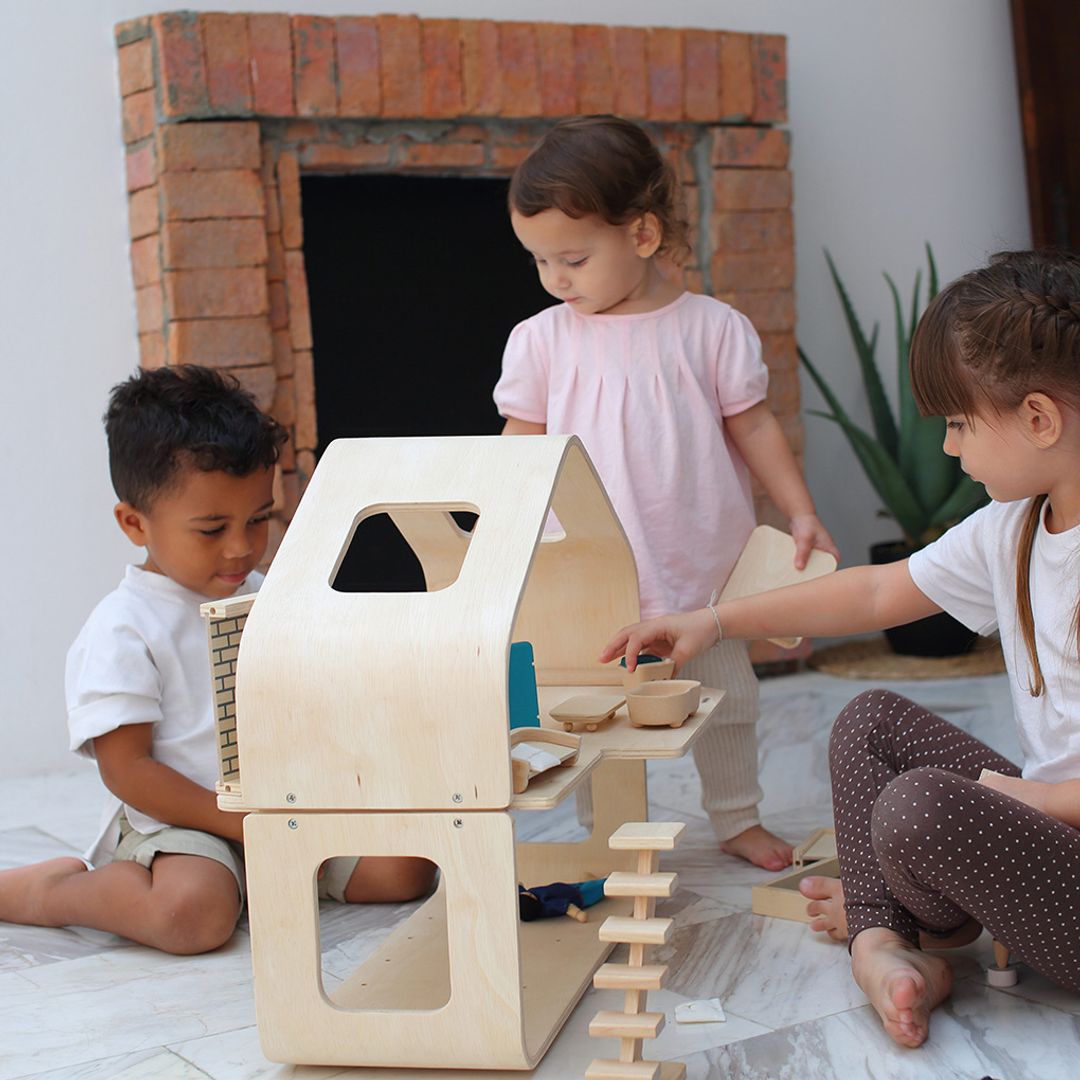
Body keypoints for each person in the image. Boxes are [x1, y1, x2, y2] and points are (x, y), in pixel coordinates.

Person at [601, 249, 1080, 1048]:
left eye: (959, 424)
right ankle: (884, 944)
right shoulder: (1016, 526)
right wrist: (711, 622)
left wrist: (1033, 802)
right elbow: (873, 592)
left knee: (917, 808)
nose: (952, 448)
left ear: (1038, 418)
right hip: (1043, 840)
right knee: (868, 721)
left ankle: (909, 915)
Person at [494, 115, 838, 870]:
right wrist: (496, 531)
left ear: (643, 235)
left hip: (701, 574)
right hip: (589, 576)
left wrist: (800, 510)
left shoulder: (713, 330)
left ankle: (737, 818)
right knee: (598, 715)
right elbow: (519, 447)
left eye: (574, 258)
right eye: (540, 261)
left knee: (729, 704)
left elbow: (753, 429)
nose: (556, 278)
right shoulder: (543, 340)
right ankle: (610, 837)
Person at [0, 366, 435, 955]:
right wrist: (241, 826)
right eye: (211, 529)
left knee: (408, 871)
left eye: (258, 520)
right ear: (135, 523)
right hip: (182, 821)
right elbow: (127, 771)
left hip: (279, 805)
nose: (241, 546)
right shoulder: (123, 627)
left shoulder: (261, 593)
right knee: (191, 915)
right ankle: (51, 892)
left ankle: (257, 880)